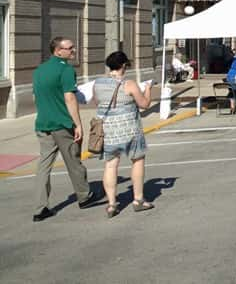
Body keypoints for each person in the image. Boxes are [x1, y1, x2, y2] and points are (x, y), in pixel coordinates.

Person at [32, 37, 95, 222]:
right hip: (62, 124)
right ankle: (84, 196)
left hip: (43, 123)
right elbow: (70, 99)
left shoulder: (40, 70)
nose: (73, 50)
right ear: (58, 51)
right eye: (69, 48)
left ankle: (39, 207)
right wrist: (78, 124)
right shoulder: (66, 70)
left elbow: (36, 97)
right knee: (74, 162)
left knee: (43, 166)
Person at [93, 51, 155, 217]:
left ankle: (112, 204)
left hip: (109, 130)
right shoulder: (129, 84)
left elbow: (97, 102)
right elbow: (144, 104)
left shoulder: (97, 83)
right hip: (130, 129)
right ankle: (138, 199)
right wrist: (148, 89)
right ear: (123, 66)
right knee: (137, 160)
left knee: (111, 164)